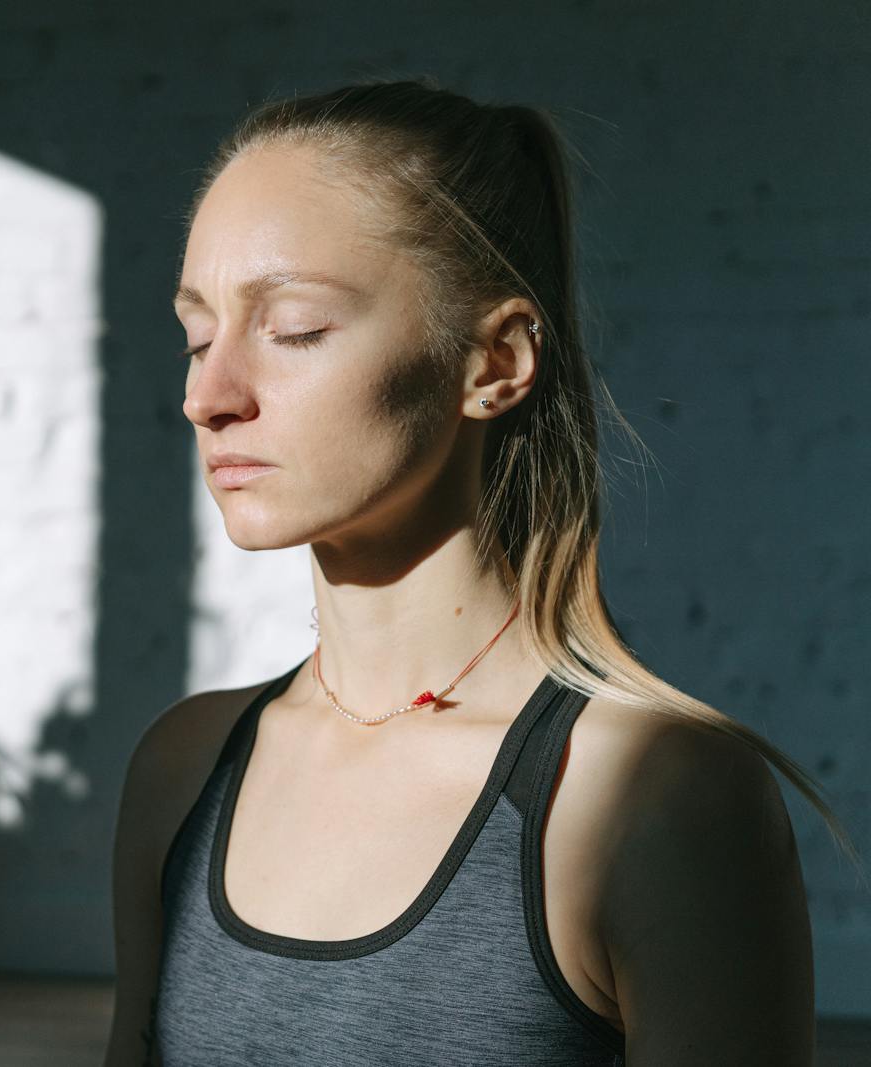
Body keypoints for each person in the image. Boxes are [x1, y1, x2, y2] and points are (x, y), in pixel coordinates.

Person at [105, 79, 859, 1066]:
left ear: (494, 360)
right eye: (198, 333)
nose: (208, 393)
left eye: (291, 328)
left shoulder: (651, 796)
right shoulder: (184, 767)